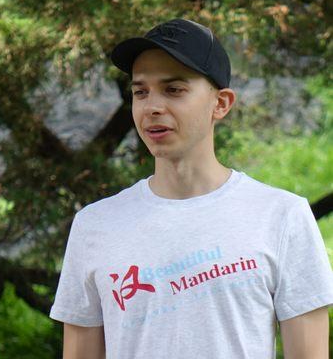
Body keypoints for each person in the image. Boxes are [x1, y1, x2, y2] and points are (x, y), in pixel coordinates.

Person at [50, 18, 333, 358]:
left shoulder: (282, 217)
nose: (152, 106)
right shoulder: (94, 225)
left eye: (174, 89)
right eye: (141, 91)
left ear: (221, 103)